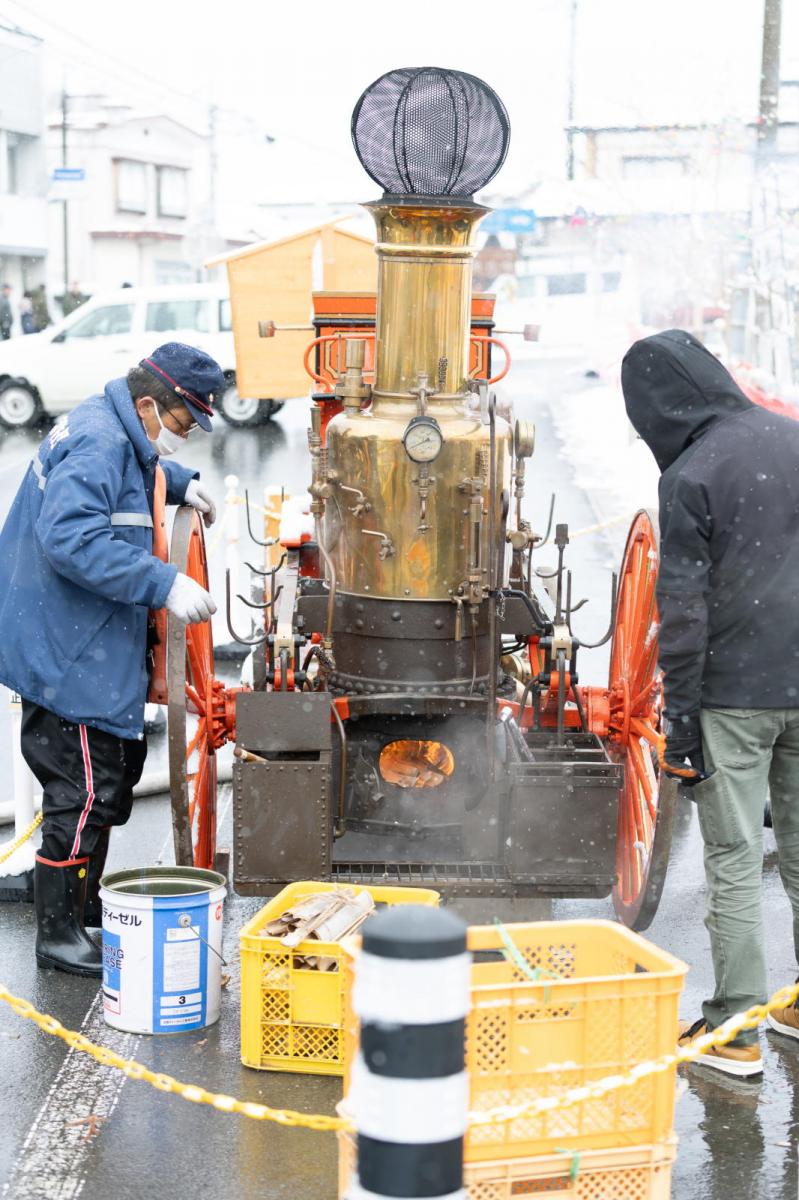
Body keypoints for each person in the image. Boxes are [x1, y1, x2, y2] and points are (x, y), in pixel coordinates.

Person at [0, 342, 223, 977]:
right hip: (63, 644)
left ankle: (80, 912)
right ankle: (58, 934)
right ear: (151, 403)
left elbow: (136, 471)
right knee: (83, 787)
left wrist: (182, 483)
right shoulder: (99, 440)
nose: (181, 437)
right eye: (182, 425)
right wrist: (164, 583)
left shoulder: (113, 424)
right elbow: (72, 536)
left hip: (65, 629)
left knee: (109, 777)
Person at [622, 329, 799, 1079]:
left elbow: (683, 611)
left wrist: (681, 721)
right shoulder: (790, 438)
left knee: (731, 858)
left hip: (734, 693)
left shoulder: (692, 472)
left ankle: (732, 1028)